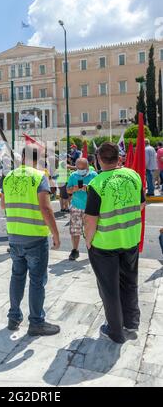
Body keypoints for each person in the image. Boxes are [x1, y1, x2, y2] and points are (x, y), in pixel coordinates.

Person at [85, 142, 145, 344]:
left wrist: (88, 241)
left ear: (99, 159)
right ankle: (131, 323)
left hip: (105, 245)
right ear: (119, 158)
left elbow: (91, 219)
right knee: (129, 283)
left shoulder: (97, 184)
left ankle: (115, 330)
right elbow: (142, 203)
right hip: (130, 240)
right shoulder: (133, 175)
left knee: (109, 289)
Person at [2, 145, 61, 337]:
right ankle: (36, 322)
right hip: (35, 236)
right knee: (36, 281)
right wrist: (56, 233)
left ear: (22, 157)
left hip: (14, 235)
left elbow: (3, 204)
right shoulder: (39, 176)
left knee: (16, 277)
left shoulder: (9, 176)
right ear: (39, 158)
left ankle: (14, 317)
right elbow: (46, 208)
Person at [67, 158, 97, 261]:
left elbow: (99, 191)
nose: (80, 170)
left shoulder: (94, 175)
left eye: (82, 168)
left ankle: (93, 250)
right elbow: (68, 190)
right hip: (76, 206)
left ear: (87, 167)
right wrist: (73, 189)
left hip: (90, 208)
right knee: (75, 230)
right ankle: (75, 250)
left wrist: (88, 188)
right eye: (78, 168)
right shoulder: (73, 176)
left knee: (91, 230)